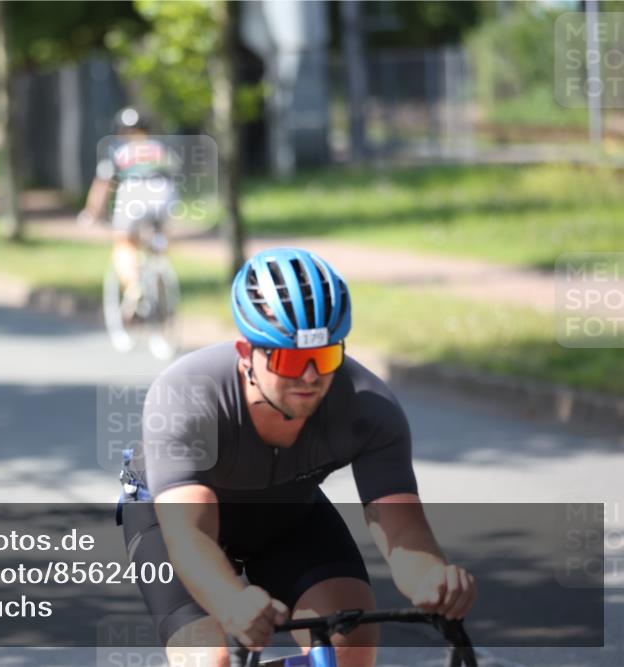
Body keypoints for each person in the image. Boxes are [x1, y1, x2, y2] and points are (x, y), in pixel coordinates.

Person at [119, 247, 476, 667]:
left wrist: (432, 579)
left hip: (286, 515)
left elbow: (404, 537)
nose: (310, 377)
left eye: (325, 356)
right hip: (173, 523)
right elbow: (190, 537)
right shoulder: (187, 397)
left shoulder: (368, 407)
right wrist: (230, 600)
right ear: (245, 353)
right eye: (290, 360)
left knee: (350, 646)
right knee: (213, 658)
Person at [78, 107, 179, 302]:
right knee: (158, 239)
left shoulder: (117, 151)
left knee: (124, 243)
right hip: (166, 193)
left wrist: (91, 212)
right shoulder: (161, 148)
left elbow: (103, 184)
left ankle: (134, 287)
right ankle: (160, 277)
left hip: (135, 193)